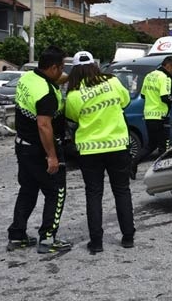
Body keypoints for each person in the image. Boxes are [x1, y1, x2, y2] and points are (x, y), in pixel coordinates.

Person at [65, 51, 135, 252]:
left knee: (94, 194)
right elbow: (125, 103)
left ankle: (96, 243)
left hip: (89, 149)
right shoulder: (112, 82)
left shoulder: (74, 94)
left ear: (75, 70)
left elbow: (73, 118)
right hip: (118, 145)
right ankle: (128, 237)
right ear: (95, 66)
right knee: (122, 190)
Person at [7, 45, 72, 253]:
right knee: (56, 191)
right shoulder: (47, 94)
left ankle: (17, 236)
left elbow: (57, 79)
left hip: (23, 146)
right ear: (52, 67)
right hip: (40, 150)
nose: (62, 72)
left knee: (27, 190)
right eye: (61, 67)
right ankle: (47, 239)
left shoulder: (28, 78)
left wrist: (72, 77)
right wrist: (52, 156)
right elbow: (44, 125)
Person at [130, 56, 172, 180]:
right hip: (161, 116)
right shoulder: (165, 78)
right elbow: (165, 97)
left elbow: (143, 95)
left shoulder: (149, 75)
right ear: (168, 66)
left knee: (151, 145)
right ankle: (163, 174)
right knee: (164, 146)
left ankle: (133, 163)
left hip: (149, 115)